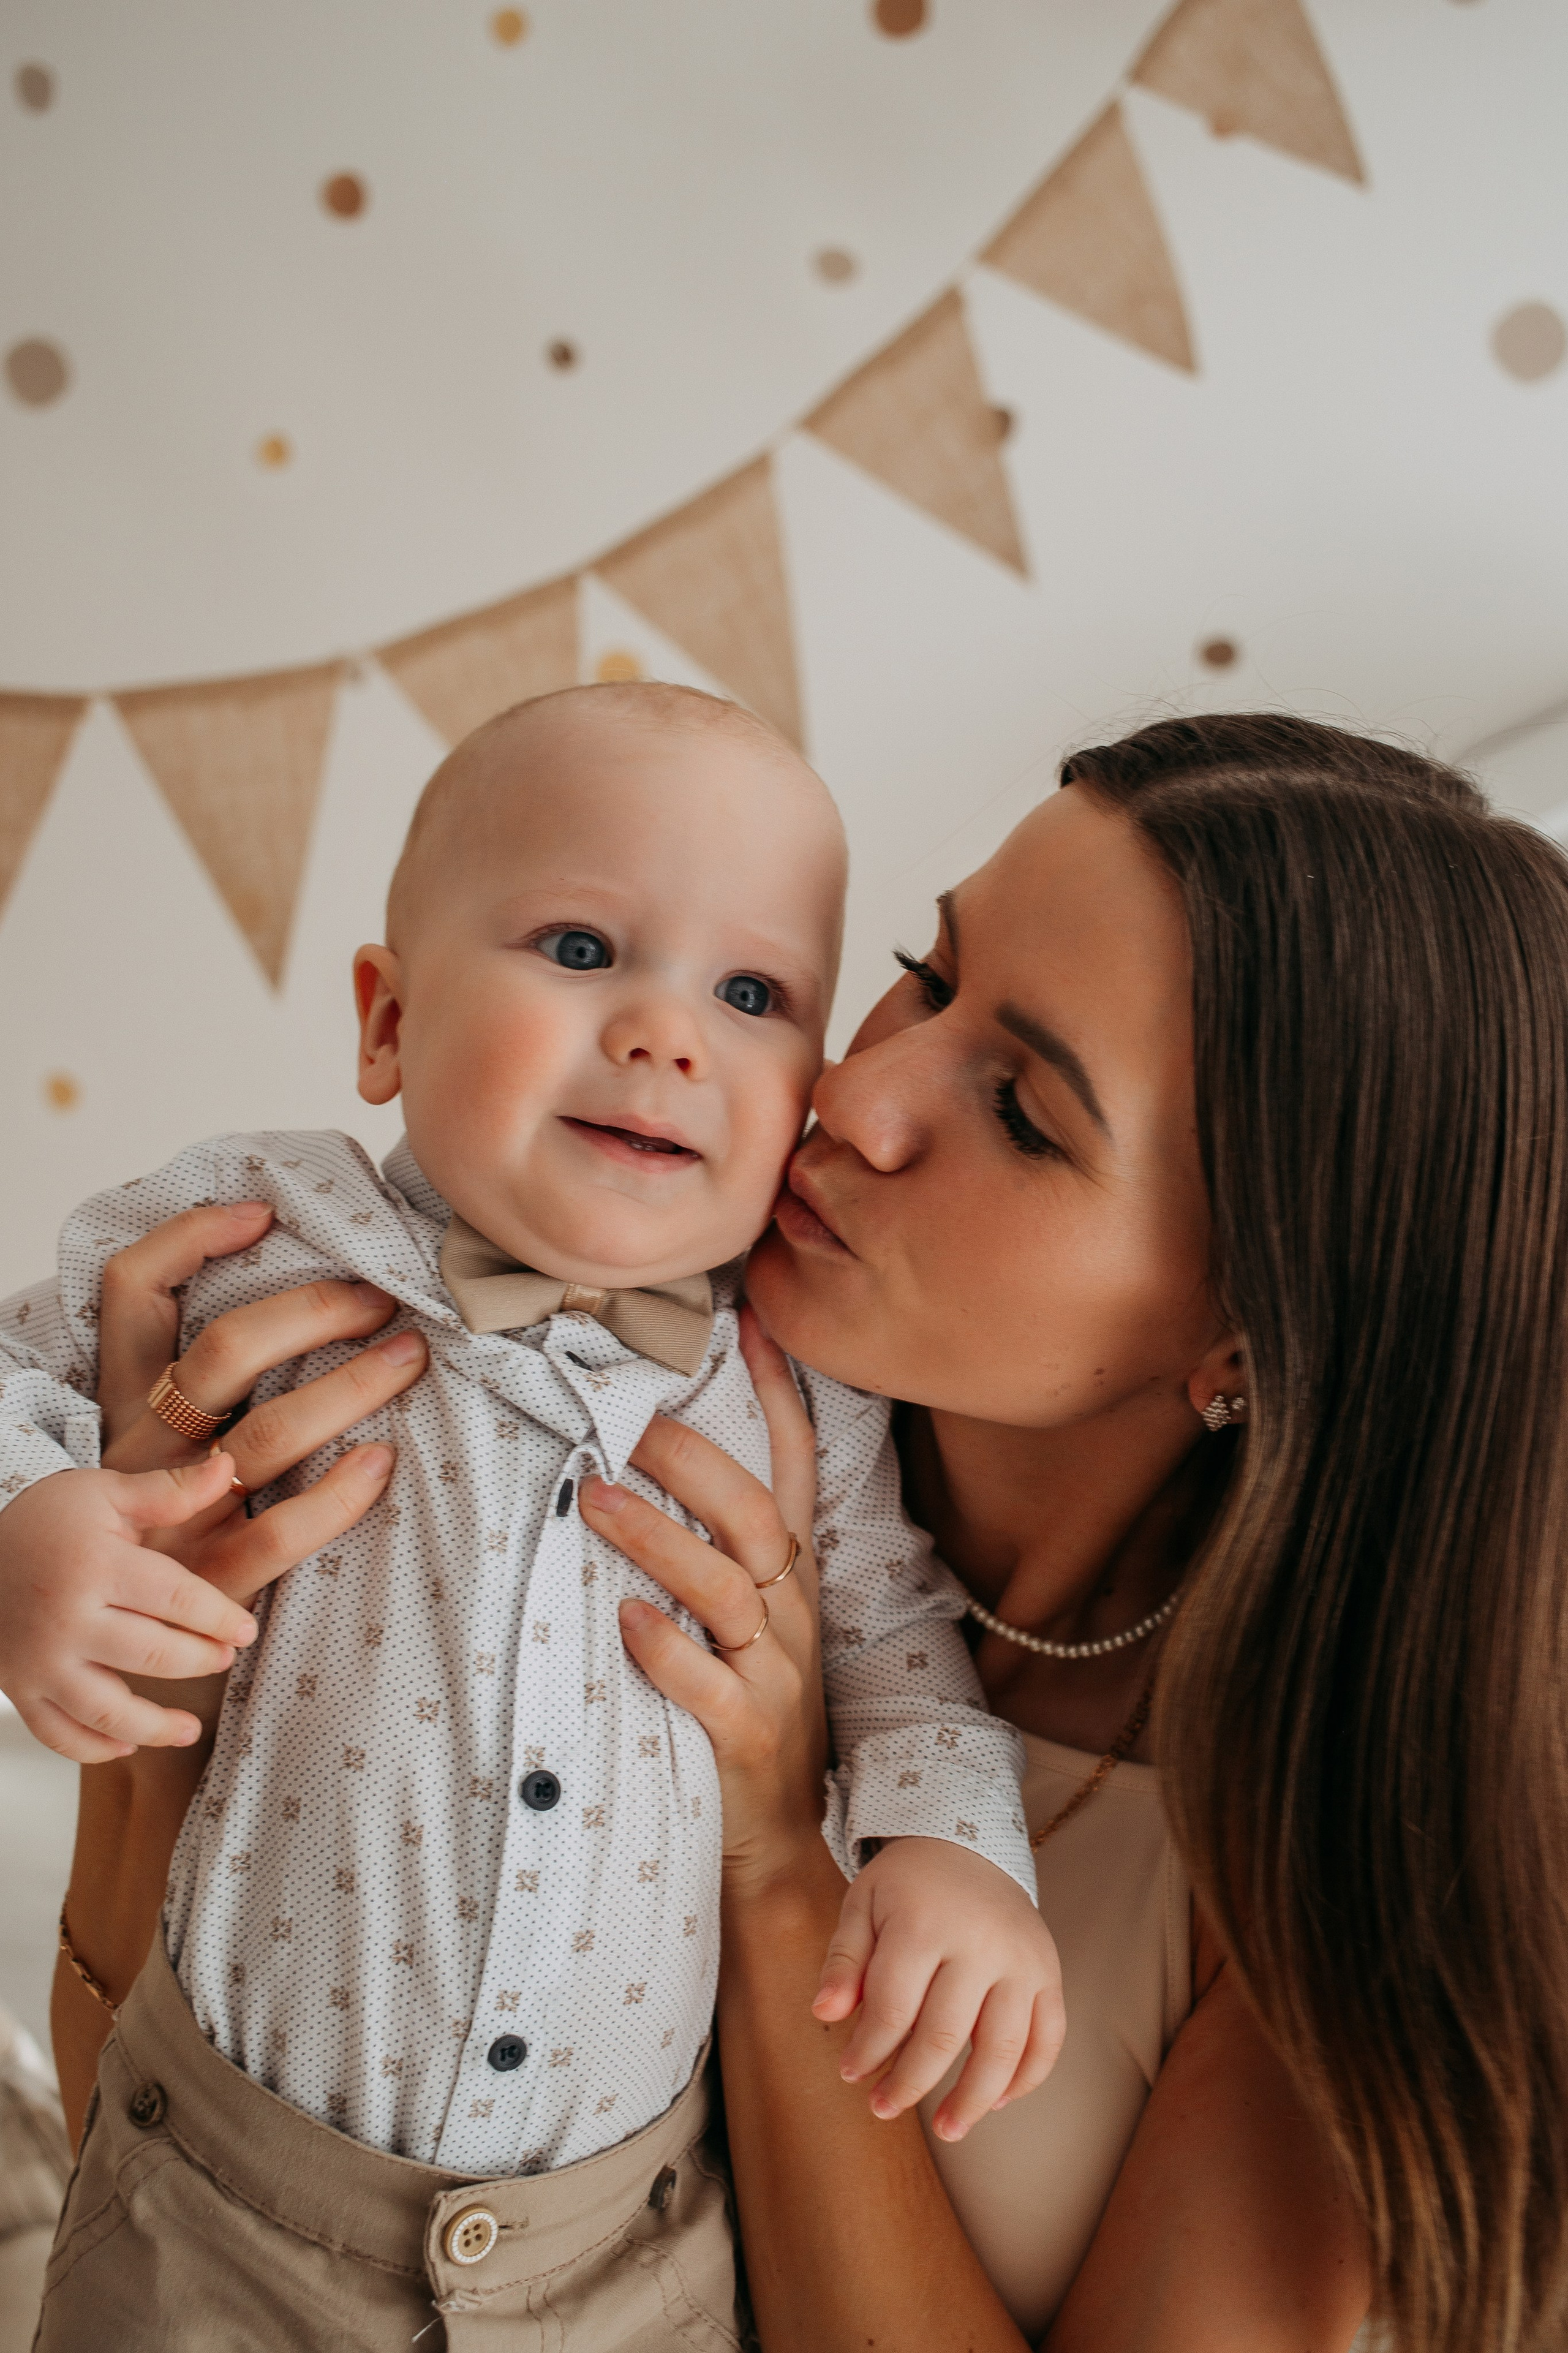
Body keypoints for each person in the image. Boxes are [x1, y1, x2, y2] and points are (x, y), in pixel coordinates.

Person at [22, 711, 1566, 2352]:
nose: (860, 1088)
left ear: (1242, 1342)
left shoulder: (1340, 1876)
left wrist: (775, 1864)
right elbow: (159, 2118)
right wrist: (153, 1687)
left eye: (1026, 1111)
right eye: (925, 967)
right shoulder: (652, 1384)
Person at [0, 682, 1057, 2350]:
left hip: (627, 2252)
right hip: (221, 2197)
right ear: (386, 1020)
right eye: (580, 948)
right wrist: (32, 1521)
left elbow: (902, 1648)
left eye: (753, 989)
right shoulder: (250, 1229)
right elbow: (15, 1383)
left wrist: (954, 1854)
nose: (664, 1030)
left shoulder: (795, 1383)